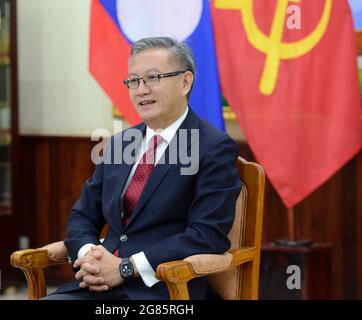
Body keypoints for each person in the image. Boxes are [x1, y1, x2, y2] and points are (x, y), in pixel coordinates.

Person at [43, 37, 241, 300]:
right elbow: (82, 216)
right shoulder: (119, 144)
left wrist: (127, 267)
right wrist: (89, 256)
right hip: (98, 286)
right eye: (133, 81)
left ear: (185, 82)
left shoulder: (213, 147)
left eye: (153, 78)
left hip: (165, 289)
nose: (141, 90)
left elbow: (207, 235)